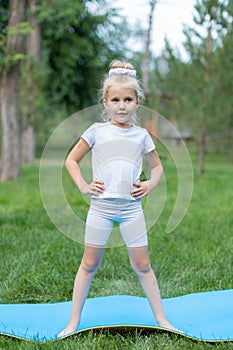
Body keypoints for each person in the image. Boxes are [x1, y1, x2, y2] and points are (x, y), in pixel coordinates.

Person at [58, 59, 178, 338]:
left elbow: (157, 167)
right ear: (105, 102)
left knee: (143, 265)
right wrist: (83, 185)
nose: (121, 105)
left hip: (131, 210)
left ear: (138, 103)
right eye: (115, 99)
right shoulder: (96, 132)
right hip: (100, 209)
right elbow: (71, 161)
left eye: (127, 99)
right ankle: (73, 322)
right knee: (89, 265)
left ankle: (162, 319)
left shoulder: (141, 136)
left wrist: (150, 183)